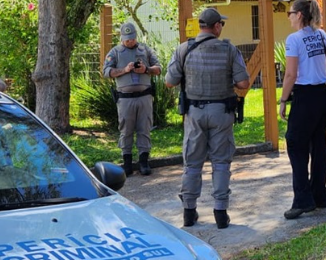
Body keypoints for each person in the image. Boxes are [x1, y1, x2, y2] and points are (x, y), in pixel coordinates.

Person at [165, 8, 249, 229]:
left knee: (192, 164)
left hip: (194, 114)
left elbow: (169, 81)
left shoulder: (183, 49)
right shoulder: (230, 50)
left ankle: (189, 212)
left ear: (201, 26)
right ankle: (221, 213)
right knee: (221, 163)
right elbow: (243, 84)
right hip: (221, 112)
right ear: (217, 26)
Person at [279, 0, 326, 219]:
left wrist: (283, 100)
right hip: (322, 94)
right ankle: (320, 195)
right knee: (318, 144)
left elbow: (291, 74)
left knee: (295, 144)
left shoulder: (294, 39)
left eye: (290, 13)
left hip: (305, 95)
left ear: (299, 15)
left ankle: (302, 199)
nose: (288, 17)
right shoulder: (322, 35)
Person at [103, 22, 162, 177]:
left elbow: (159, 68)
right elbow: (106, 72)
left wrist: (146, 69)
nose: (130, 41)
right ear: (122, 38)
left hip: (144, 97)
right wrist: (125, 70)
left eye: (132, 38)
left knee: (144, 129)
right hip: (125, 99)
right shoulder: (115, 52)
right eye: (127, 39)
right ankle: (127, 163)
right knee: (126, 130)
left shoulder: (145, 50)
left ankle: (144, 162)